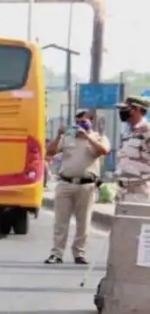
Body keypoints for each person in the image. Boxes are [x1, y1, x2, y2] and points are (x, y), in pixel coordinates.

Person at [44, 111, 110, 265]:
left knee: (84, 222)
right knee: (61, 221)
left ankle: (79, 253)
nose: (81, 125)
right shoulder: (68, 138)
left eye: (84, 122)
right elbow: (50, 152)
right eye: (78, 122)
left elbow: (103, 151)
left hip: (86, 185)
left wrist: (87, 137)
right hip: (66, 183)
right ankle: (56, 253)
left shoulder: (99, 138)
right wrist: (58, 135)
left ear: (92, 123)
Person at [114, 96, 150, 203]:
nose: (121, 112)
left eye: (125, 109)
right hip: (124, 190)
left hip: (141, 190)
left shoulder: (147, 131)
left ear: (136, 109)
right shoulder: (128, 133)